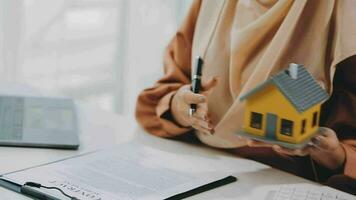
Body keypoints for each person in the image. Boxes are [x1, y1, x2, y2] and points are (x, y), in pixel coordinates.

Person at [135, 0, 356, 193]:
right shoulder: (212, 4)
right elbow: (161, 97)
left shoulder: (344, 14)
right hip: (196, 172)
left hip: (287, 185)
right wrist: (179, 108)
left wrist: (334, 155)